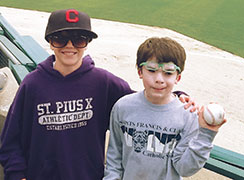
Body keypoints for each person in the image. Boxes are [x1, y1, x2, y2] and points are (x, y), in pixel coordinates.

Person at [0, 10, 196, 180]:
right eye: (60, 38)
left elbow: (142, 103)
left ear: (87, 43)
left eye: (79, 39)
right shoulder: (33, 84)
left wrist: (176, 96)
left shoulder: (102, 82)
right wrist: (18, 175)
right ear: (50, 43)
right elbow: (10, 139)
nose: (70, 46)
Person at [103, 37, 226, 180]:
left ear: (178, 77)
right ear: (140, 72)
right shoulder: (122, 107)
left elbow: (185, 169)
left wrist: (206, 134)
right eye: (151, 70)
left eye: (168, 73)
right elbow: (114, 159)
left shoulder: (187, 115)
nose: (159, 79)